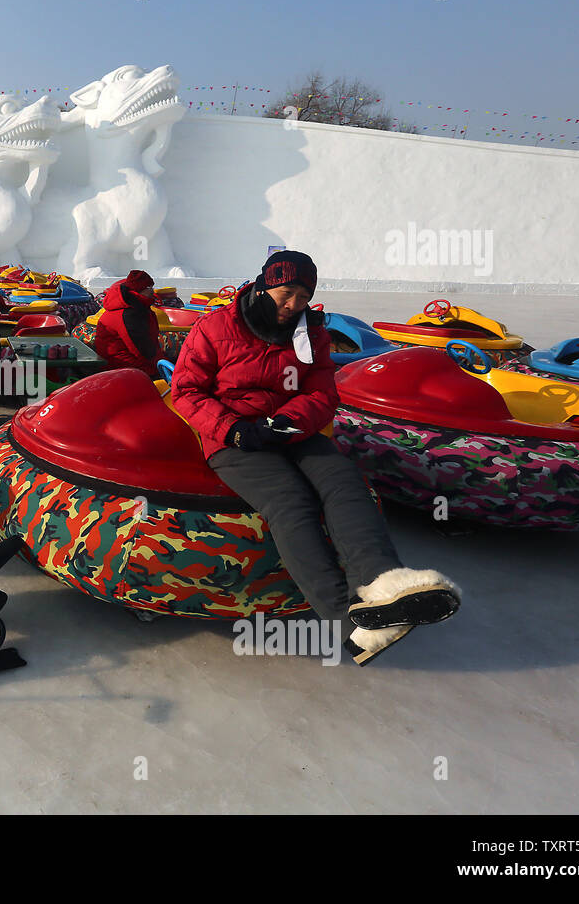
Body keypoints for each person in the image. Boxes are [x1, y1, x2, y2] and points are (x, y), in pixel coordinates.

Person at [170, 250, 461, 665]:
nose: (294, 305)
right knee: (291, 501)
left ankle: (383, 583)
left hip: (291, 431)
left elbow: (322, 393)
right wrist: (234, 428)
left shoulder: (312, 333)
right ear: (266, 284)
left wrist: (286, 421)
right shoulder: (215, 326)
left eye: (303, 297)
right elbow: (186, 391)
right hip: (233, 438)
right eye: (287, 293)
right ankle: (349, 625)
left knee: (343, 479)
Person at [94, 269, 166, 378]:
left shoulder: (137, 306)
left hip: (126, 362)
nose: (153, 291)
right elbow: (141, 349)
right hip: (119, 366)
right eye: (149, 287)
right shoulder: (128, 313)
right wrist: (160, 369)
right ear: (139, 289)